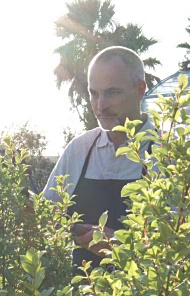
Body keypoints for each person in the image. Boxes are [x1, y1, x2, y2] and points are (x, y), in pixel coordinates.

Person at [43, 46, 154, 276]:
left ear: (140, 90)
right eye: (94, 93)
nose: (100, 106)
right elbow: (47, 217)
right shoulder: (79, 149)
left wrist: (122, 248)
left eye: (112, 93)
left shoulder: (169, 155)